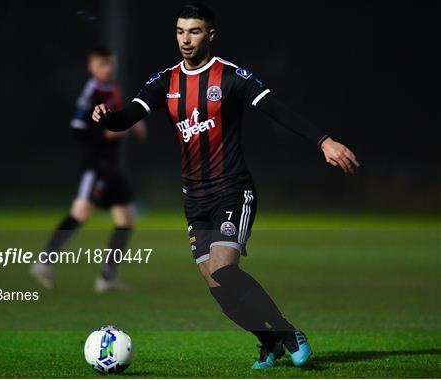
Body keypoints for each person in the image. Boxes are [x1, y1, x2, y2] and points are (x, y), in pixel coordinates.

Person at [92, 3, 359, 369]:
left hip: (232, 190)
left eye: (194, 31)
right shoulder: (166, 81)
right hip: (194, 199)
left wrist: (323, 141)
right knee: (218, 290)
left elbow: (277, 109)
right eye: (180, 31)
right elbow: (128, 118)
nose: (185, 39)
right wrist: (109, 117)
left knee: (224, 271)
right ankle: (267, 342)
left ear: (210, 35)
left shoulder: (230, 77)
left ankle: (287, 332)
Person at [31, 47, 147, 293]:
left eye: (111, 63)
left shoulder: (112, 90)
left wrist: (129, 122)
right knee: (81, 211)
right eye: (102, 64)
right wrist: (116, 130)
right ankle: (44, 262)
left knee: (125, 219)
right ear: (92, 67)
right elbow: (78, 130)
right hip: (96, 166)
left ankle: (106, 277)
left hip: (111, 167)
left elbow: (116, 120)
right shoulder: (90, 93)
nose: (108, 68)